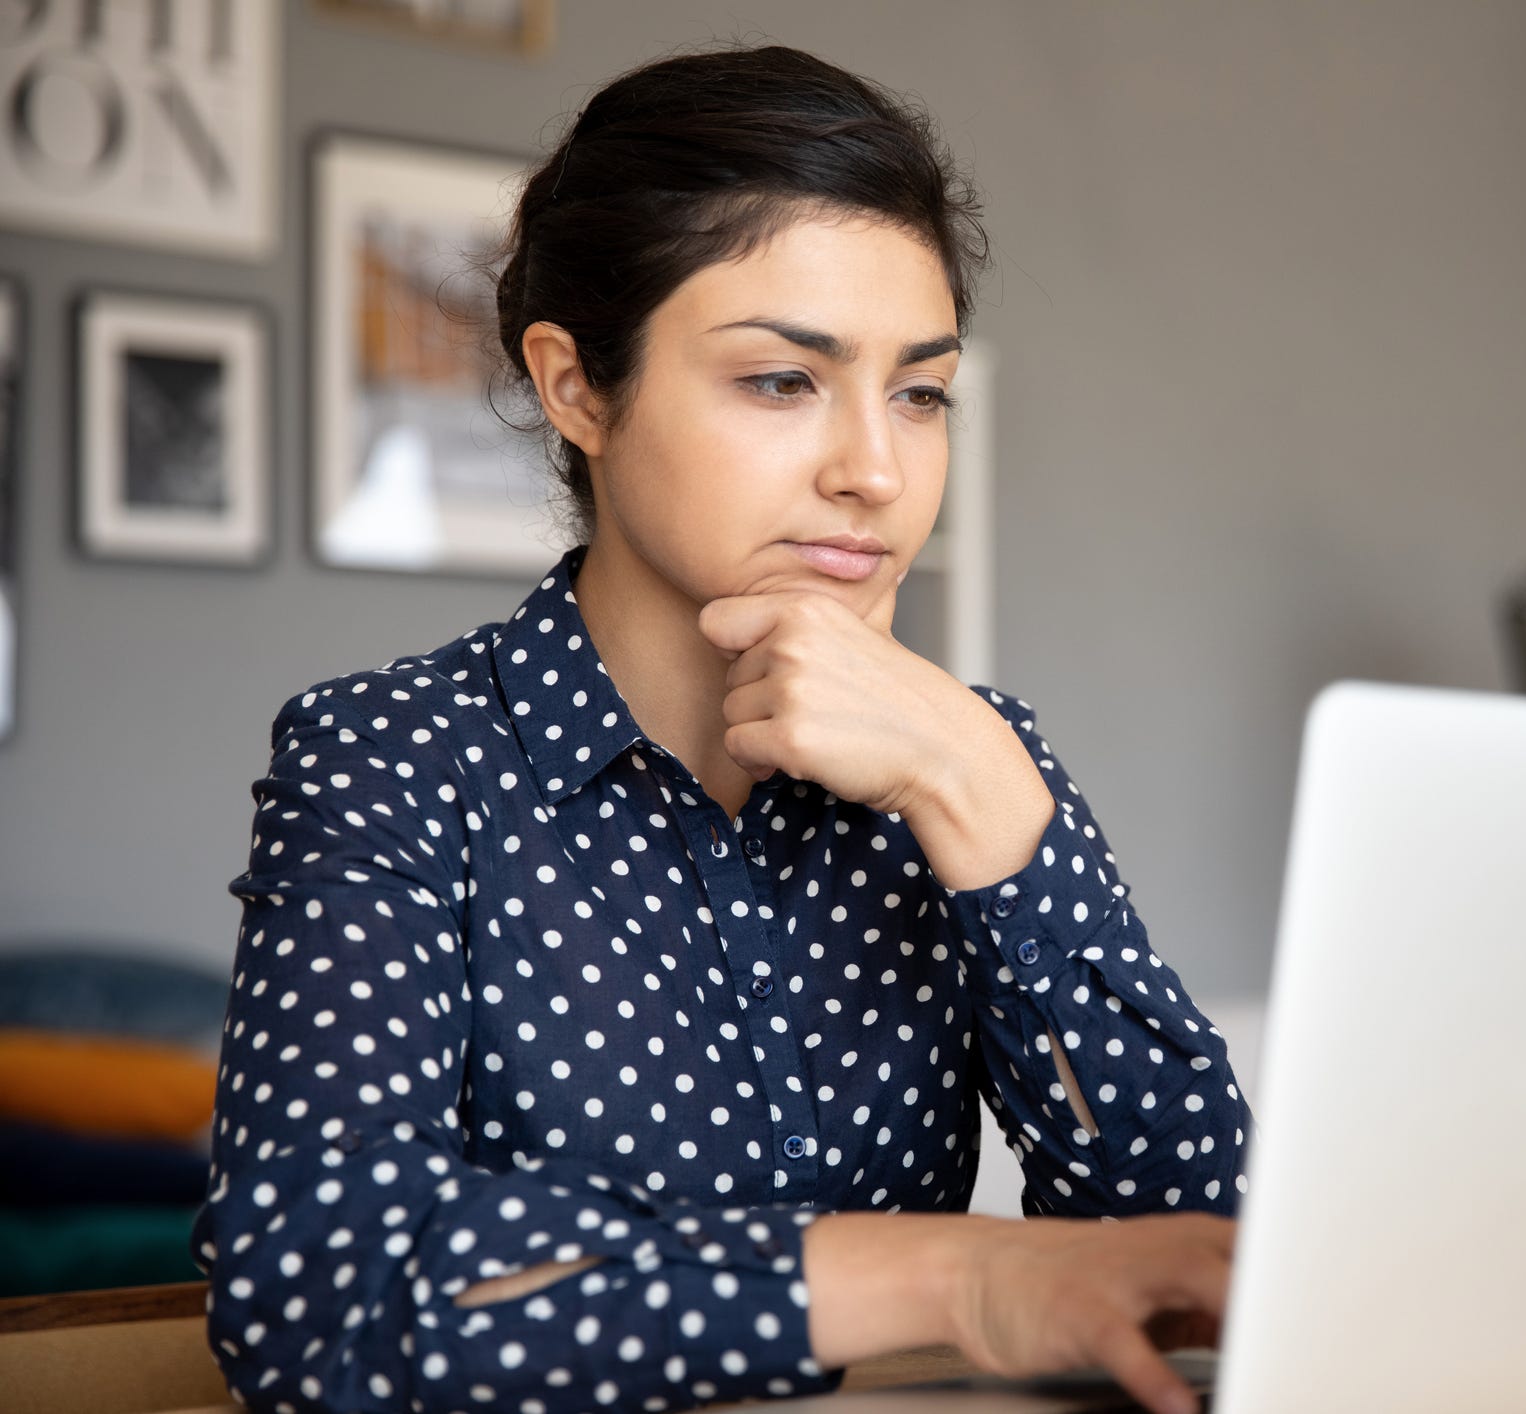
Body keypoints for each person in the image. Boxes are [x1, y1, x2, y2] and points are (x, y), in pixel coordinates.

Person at [188, 42, 1253, 1414]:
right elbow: (321, 1299)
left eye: (918, 391)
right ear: (577, 387)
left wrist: (991, 804)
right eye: (779, 380)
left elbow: (1187, 1261)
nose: (873, 469)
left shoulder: (966, 752)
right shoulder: (395, 759)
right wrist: (950, 1274)